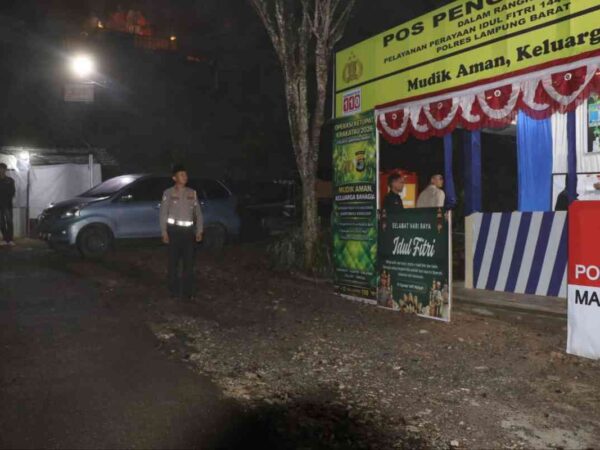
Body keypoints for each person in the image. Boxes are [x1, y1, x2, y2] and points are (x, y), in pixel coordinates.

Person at [159, 165, 203, 300]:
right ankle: (173, 291)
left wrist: (199, 230)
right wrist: (164, 232)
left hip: (188, 233)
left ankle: (187, 292)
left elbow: (198, 213)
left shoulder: (192, 193)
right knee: (173, 263)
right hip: (174, 232)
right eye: (182, 175)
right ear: (174, 178)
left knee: (189, 263)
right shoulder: (168, 193)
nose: (185, 177)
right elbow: (163, 213)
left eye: (186, 174)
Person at [0, 163, 15, 246]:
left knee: (9, 222)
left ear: (5, 170)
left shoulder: (10, 180)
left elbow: (13, 192)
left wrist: (6, 199)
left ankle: (10, 239)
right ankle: (5, 239)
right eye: (0, 169)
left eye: (3, 169)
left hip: (7, 205)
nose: (1, 170)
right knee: (1, 223)